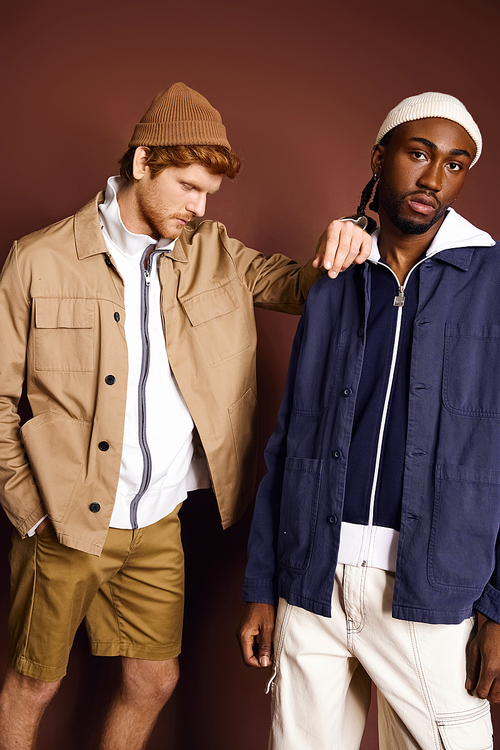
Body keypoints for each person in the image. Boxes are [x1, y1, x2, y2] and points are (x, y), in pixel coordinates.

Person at [0, 82, 370, 750]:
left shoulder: (215, 252)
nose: (199, 208)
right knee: (33, 685)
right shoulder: (38, 259)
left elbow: (303, 286)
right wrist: (29, 507)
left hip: (159, 524)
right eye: (189, 188)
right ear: (143, 164)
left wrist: (349, 236)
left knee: (153, 683)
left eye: (210, 195)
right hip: (64, 523)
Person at [238, 92, 500, 750]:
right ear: (379, 156)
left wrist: (498, 610)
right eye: (419, 154)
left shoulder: (491, 279)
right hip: (311, 580)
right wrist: (266, 584)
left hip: (429, 590)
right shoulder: (337, 275)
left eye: (456, 163)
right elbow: (292, 435)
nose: (435, 178)